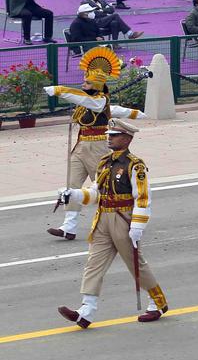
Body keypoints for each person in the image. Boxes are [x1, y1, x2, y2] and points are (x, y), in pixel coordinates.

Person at [56, 119, 169, 328]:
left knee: (135, 265)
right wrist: (74, 195)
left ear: (127, 138)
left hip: (123, 218)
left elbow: (143, 197)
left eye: (114, 135)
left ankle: (158, 301)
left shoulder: (135, 165)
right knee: (93, 264)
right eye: (109, 134)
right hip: (102, 219)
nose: (109, 138)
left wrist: (137, 225)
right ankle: (86, 311)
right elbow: (95, 193)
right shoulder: (104, 162)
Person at [44, 48, 141, 241]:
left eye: (87, 82)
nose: (83, 84)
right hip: (81, 147)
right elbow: (92, 105)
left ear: (96, 84)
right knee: (71, 185)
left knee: (106, 187)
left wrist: (60, 91)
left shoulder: (99, 101)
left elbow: (99, 105)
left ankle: (123, 220)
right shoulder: (86, 103)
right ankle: (69, 227)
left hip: (99, 147)